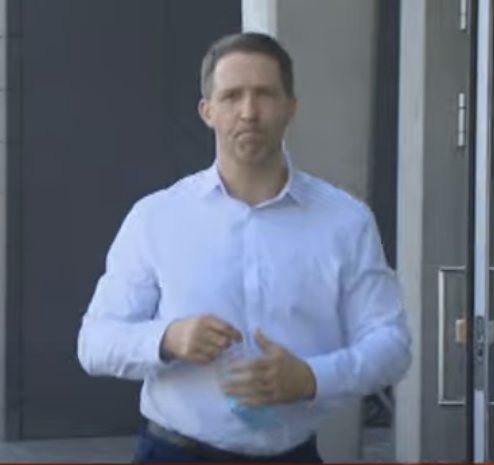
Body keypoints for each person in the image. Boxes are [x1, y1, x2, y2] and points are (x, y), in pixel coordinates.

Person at [77, 32, 411, 463]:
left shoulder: (345, 222)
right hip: (175, 453)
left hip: (292, 455)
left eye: (265, 94)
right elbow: (95, 342)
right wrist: (168, 338)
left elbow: (392, 345)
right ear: (208, 111)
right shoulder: (156, 217)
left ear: (291, 107)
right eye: (232, 95)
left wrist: (310, 378)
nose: (249, 112)